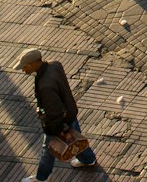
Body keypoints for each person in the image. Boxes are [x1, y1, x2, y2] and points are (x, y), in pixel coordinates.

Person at [17, 47, 100, 177]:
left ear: (33, 63)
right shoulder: (55, 64)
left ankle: (41, 177)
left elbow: (54, 111)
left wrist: (56, 130)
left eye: (25, 66)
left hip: (59, 122)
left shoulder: (45, 86)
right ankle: (89, 160)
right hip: (70, 111)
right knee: (75, 138)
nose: (23, 70)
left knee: (48, 150)